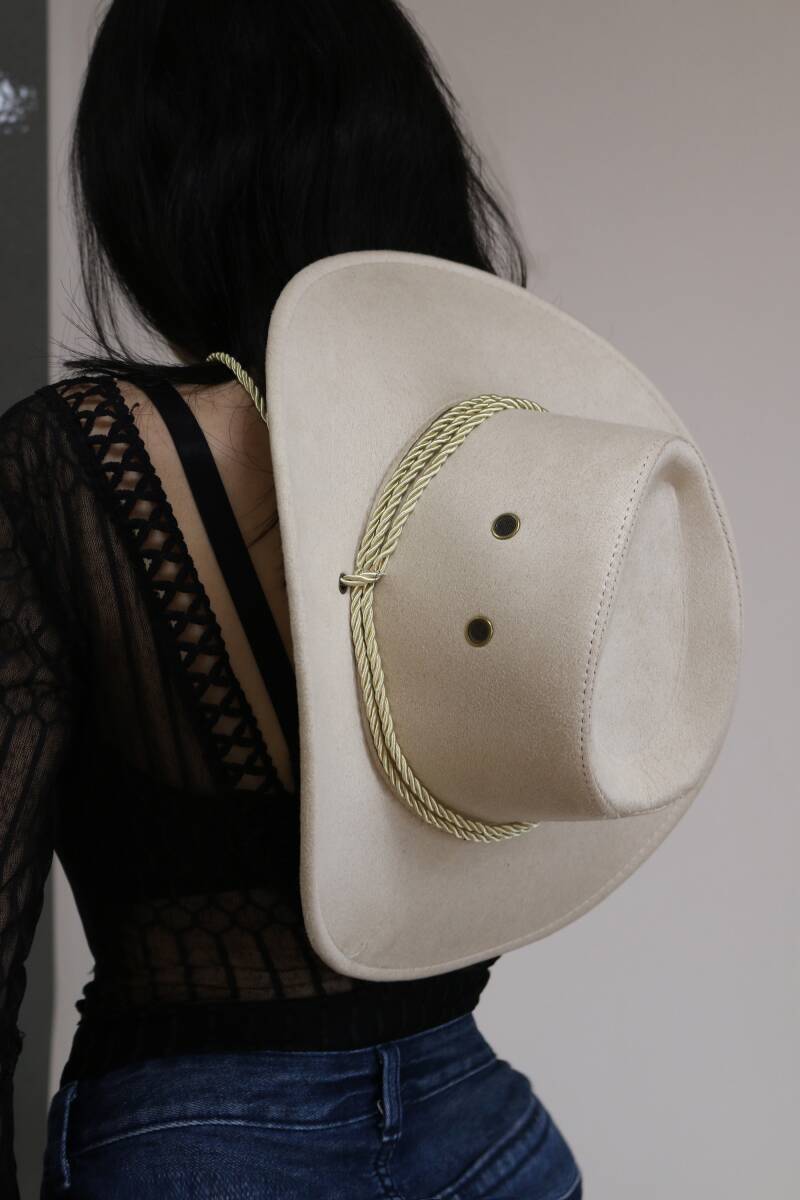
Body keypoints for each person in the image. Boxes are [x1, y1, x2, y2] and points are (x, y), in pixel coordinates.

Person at [0, 2, 582, 1197]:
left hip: (193, 1142)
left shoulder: (73, 459)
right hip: (483, 1135)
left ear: (154, 175)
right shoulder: (479, 448)